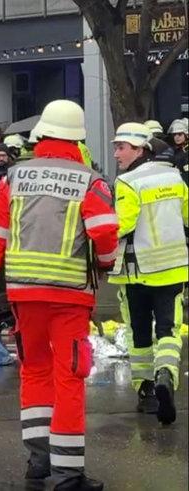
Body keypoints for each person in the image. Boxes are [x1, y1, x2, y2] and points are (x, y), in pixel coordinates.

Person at [0, 100, 118, 490]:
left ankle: (38, 462)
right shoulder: (90, 180)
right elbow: (105, 232)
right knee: (69, 376)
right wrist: (105, 264)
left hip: (23, 294)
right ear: (79, 138)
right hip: (69, 295)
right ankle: (68, 474)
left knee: (34, 370)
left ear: (40, 136)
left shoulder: (13, 179)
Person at [107, 122, 188, 426]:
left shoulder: (128, 182)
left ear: (139, 149)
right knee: (168, 329)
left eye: (121, 147)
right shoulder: (174, 176)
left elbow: (123, 225)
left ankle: (146, 391)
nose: (117, 154)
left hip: (136, 272)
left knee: (139, 333)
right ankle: (165, 373)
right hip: (172, 269)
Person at [166, 118, 188, 184]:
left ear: (186, 135)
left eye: (179, 134)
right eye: (174, 134)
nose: (177, 137)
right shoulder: (172, 150)